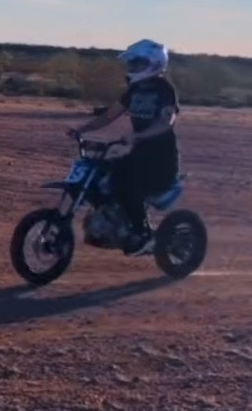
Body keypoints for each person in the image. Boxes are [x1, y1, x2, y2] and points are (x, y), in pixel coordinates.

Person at [71, 39, 180, 253]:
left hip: (161, 160)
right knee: (103, 176)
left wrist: (138, 136)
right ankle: (110, 223)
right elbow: (110, 115)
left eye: (138, 63)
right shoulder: (134, 89)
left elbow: (166, 122)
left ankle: (143, 234)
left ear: (153, 63)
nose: (133, 67)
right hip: (138, 155)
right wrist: (82, 130)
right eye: (132, 63)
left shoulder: (164, 89)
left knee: (126, 185)